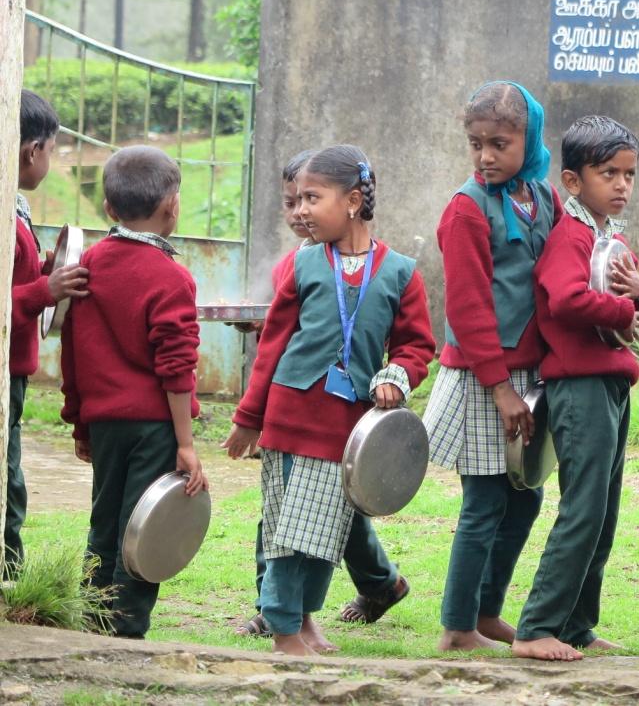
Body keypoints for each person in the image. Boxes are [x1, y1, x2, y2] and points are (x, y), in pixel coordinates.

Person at [224, 145, 434, 656]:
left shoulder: (402, 272)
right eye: (294, 201)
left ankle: (305, 620)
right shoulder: (303, 266)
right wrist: (249, 417)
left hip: (349, 427)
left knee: (322, 534)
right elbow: (272, 344)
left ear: (354, 200)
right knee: (285, 534)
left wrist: (396, 375)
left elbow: (416, 345)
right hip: (290, 417)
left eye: (311, 199)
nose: (300, 211)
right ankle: (282, 628)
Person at [422, 80, 560, 652]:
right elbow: (468, 307)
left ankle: (487, 610)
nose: (485, 156)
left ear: (528, 140)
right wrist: (501, 388)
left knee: (525, 496)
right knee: (484, 501)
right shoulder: (465, 209)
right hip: (486, 378)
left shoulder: (542, 197)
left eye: (499, 143)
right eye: (475, 143)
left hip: (531, 375)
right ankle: (458, 627)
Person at [513, 115, 639, 661]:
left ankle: (577, 622)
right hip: (579, 386)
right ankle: (536, 627)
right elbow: (567, 300)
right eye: (608, 174)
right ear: (573, 182)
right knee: (584, 508)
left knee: (606, 509)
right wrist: (626, 308)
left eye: (629, 174)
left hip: (612, 384)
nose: (622, 185)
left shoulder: (609, 237)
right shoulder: (569, 236)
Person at [59, 145, 206, 638]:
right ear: (173, 206)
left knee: (104, 524)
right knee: (143, 526)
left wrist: (80, 421)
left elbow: (73, 355)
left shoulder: (87, 268)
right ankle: (125, 629)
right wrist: (185, 444)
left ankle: (90, 616)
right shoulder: (172, 278)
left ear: (109, 209)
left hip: (105, 424)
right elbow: (176, 368)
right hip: (154, 427)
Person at [8, 90, 88, 571]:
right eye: (52, 151)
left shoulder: (14, 206)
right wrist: (46, 288)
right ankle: (8, 573)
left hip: (15, 368)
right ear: (32, 150)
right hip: (9, 372)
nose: (49, 162)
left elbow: (14, 271)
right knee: (9, 477)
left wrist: (44, 269)